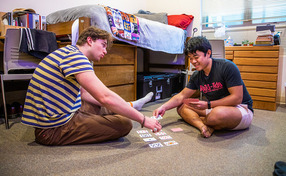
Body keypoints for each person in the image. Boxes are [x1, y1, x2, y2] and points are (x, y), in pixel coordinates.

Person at [21, 26, 162, 145]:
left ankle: (130, 105)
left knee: (109, 107)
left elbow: (84, 94)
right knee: (124, 124)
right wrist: (143, 119)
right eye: (103, 45)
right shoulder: (76, 57)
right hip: (51, 130)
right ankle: (130, 107)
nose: (105, 51)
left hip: (65, 111)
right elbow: (105, 97)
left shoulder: (69, 52)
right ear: (90, 40)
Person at [153, 36, 253, 138]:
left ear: (208, 53)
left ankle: (208, 121)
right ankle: (203, 127)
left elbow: (237, 98)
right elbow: (181, 96)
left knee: (217, 114)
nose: (193, 61)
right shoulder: (197, 75)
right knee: (182, 106)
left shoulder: (227, 67)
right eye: (190, 58)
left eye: (196, 57)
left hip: (240, 109)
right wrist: (163, 107)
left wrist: (208, 105)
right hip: (214, 108)